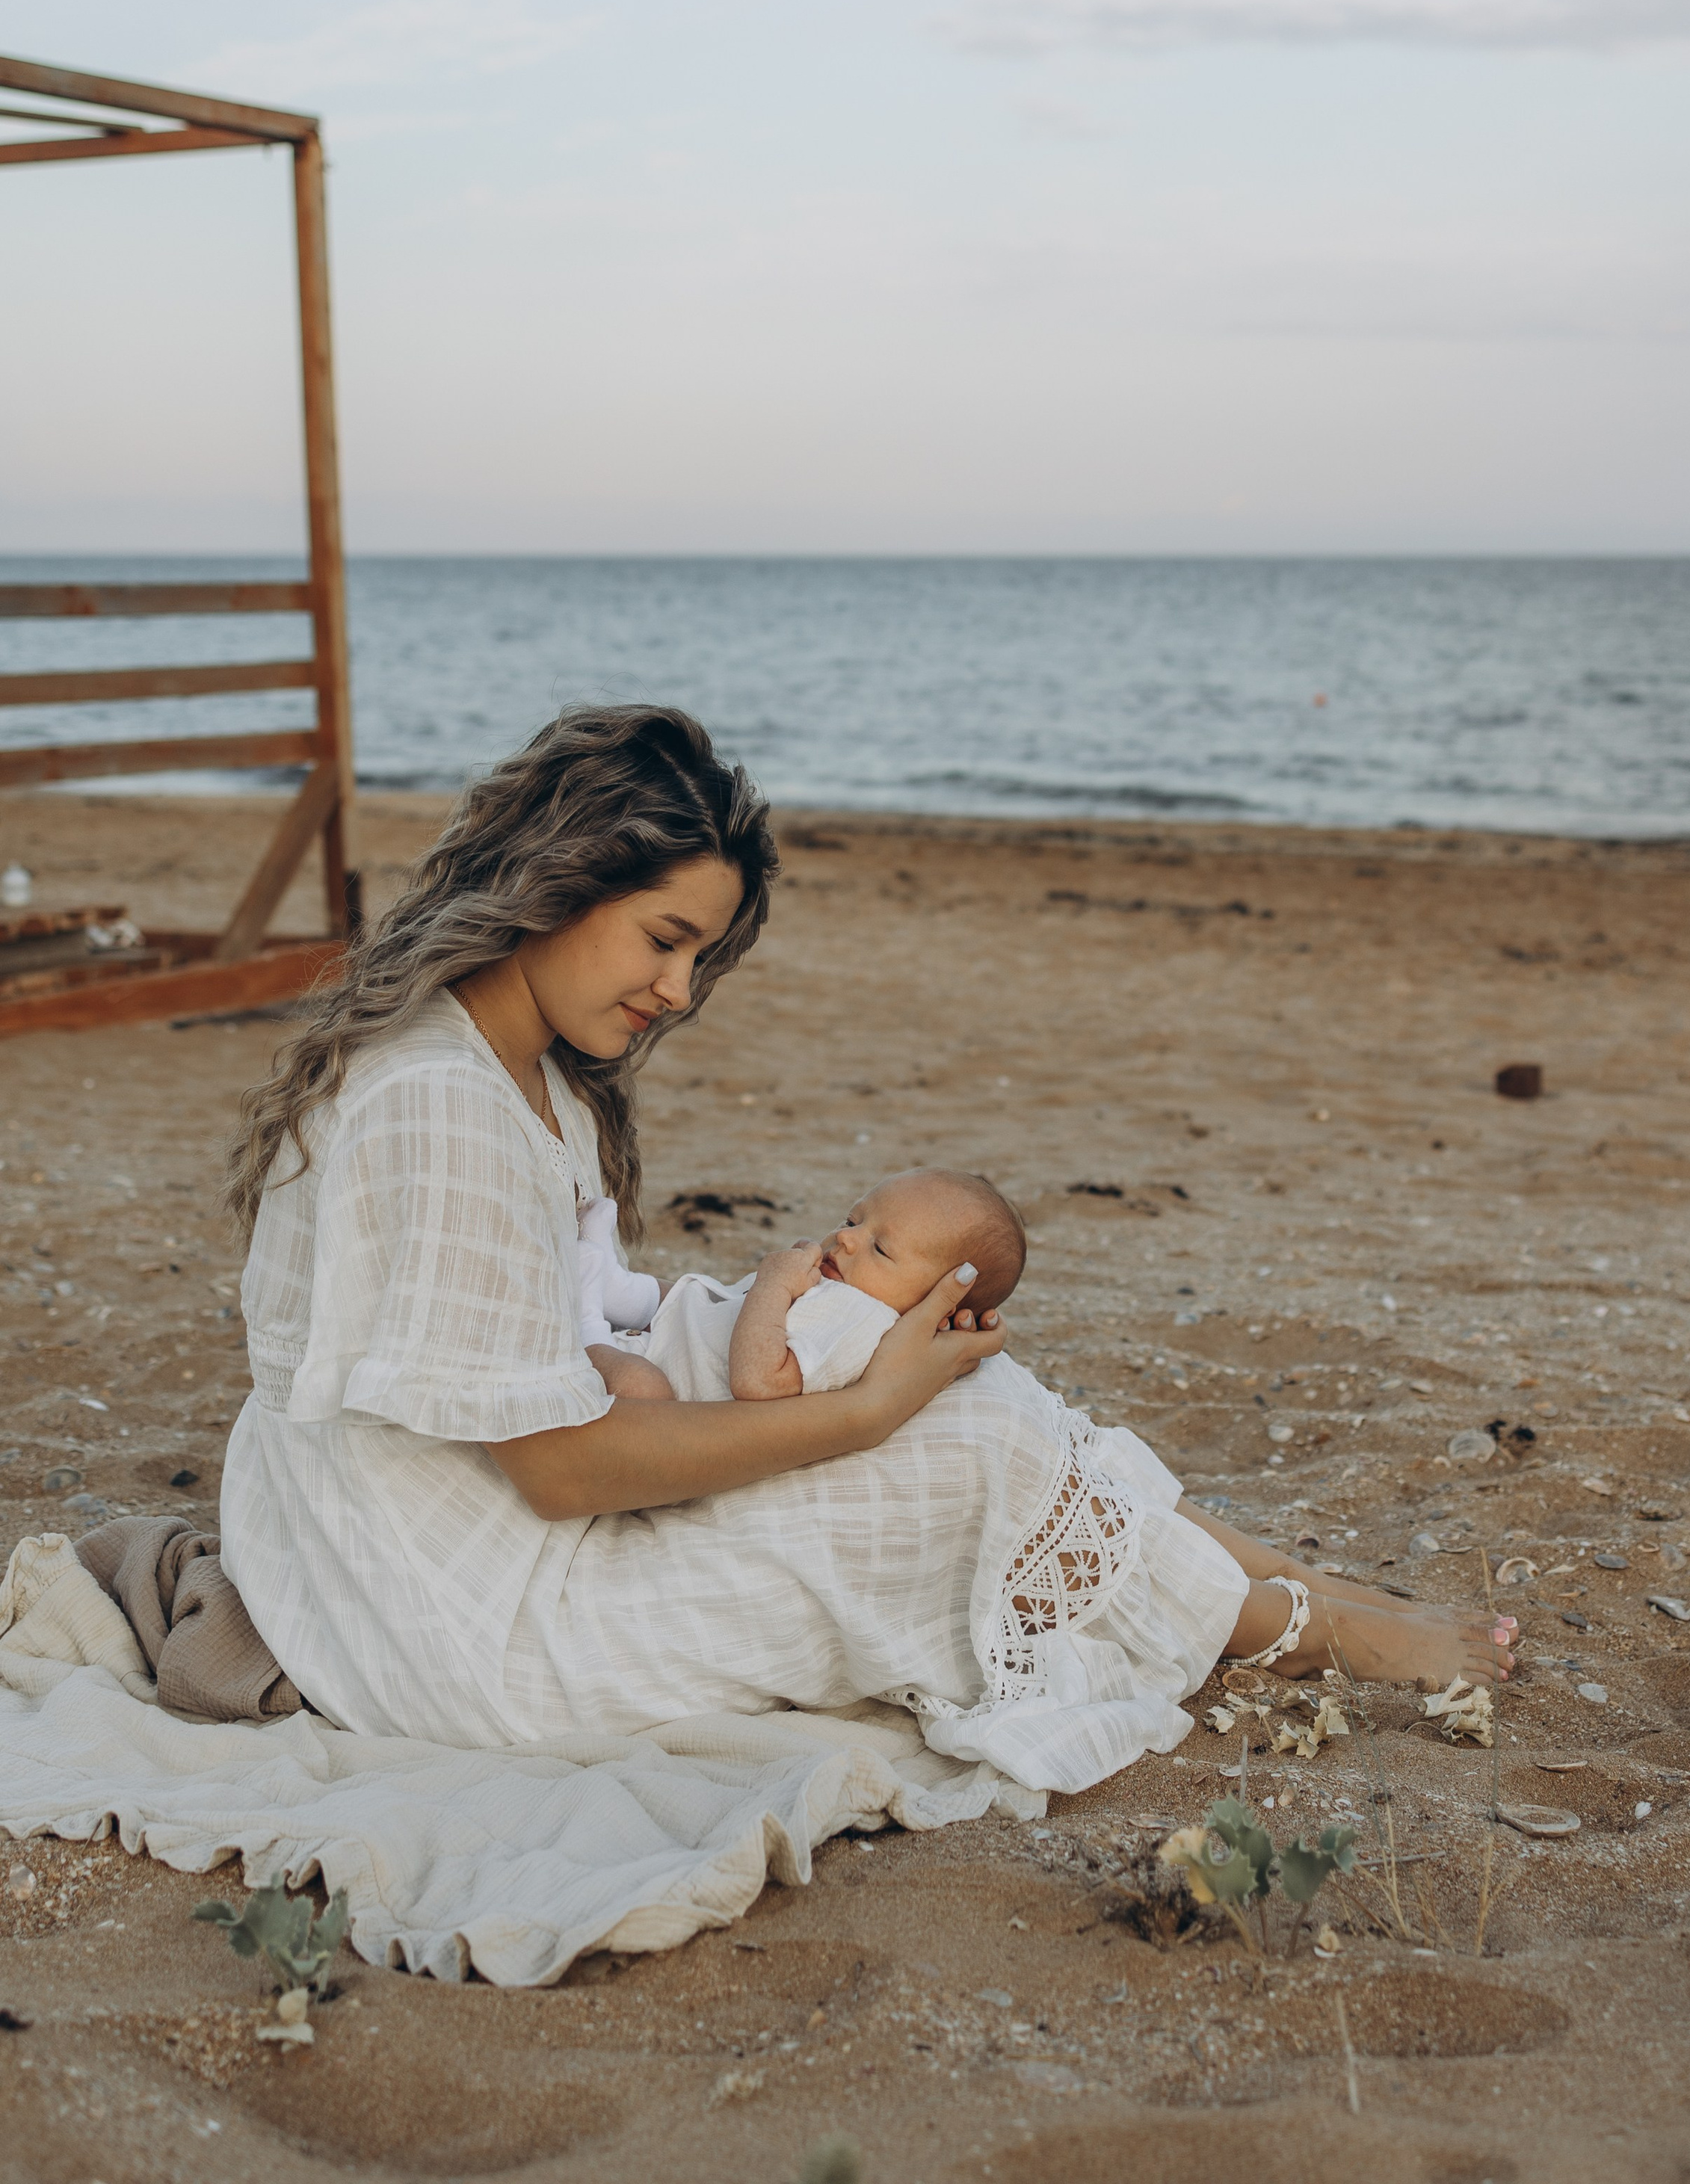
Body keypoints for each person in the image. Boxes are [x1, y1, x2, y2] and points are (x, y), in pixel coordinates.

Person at [221, 706, 1514, 1794]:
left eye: (701, 956)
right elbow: (560, 1471)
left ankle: (1294, 1588)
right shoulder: (438, 1101)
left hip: (480, 1526)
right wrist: (861, 1412)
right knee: (955, 1449)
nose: (678, 992)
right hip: (468, 1620)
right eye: (665, 940)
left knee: (973, 1402)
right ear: (556, 880)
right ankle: (1306, 1626)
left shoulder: (523, 1069)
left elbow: (558, 1344)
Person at [580, 1168, 1027, 1403]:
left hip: (667, 1387)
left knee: (642, 1388)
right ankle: (618, 1289)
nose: (847, 1238)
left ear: (937, 1304)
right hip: (681, 1340)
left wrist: (774, 1287)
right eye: (852, 1220)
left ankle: (584, 1324)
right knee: (701, 1297)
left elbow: (759, 1383)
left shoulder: (863, 1322)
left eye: (881, 1249)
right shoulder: (846, 1290)